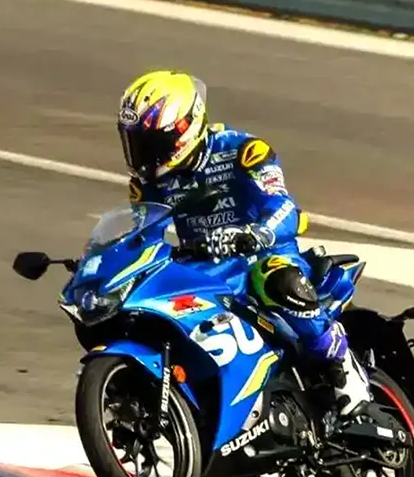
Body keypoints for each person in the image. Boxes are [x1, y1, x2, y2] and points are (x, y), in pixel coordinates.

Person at [116, 69, 371, 421]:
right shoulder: (147, 185)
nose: (143, 154)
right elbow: (142, 236)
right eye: (135, 142)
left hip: (261, 254)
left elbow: (284, 208)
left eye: (152, 143)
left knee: (275, 278)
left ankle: (338, 359)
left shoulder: (244, 151)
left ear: (185, 128)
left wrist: (256, 234)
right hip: (204, 266)